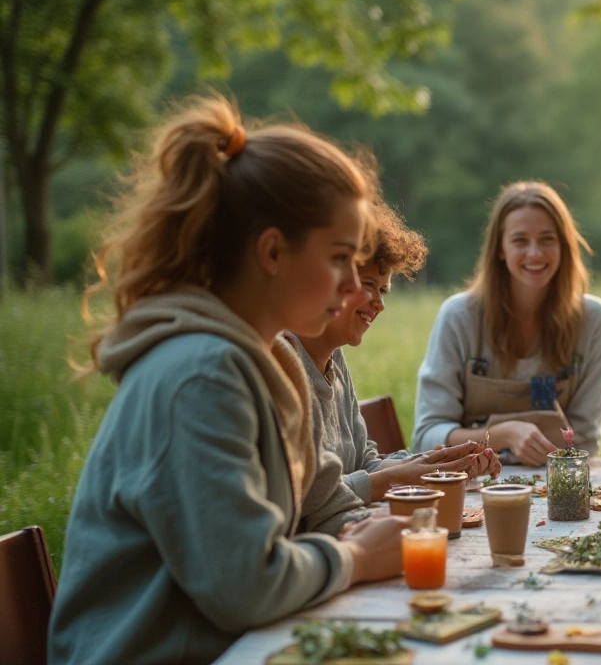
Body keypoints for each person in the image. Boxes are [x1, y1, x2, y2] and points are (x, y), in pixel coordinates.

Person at [49, 96, 407, 664]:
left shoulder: (269, 363)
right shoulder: (201, 374)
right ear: (271, 251)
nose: (352, 288)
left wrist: (382, 533)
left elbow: (323, 505)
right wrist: (359, 559)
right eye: (341, 259)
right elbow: (245, 587)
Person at [289, 200, 501, 535]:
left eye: (383, 290)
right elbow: (308, 501)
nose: (380, 304)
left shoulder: (334, 358)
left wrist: (435, 464)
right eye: (369, 285)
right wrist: (393, 478)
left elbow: (364, 463)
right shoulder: (285, 364)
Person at [413, 181, 601, 465]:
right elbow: (426, 435)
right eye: (520, 240)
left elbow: (586, 438)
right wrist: (503, 434)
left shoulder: (593, 320)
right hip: (471, 483)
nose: (535, 253)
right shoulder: (458, 316)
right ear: (500, 249)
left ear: (564, 246)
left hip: (556, 481)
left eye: (547, 239)